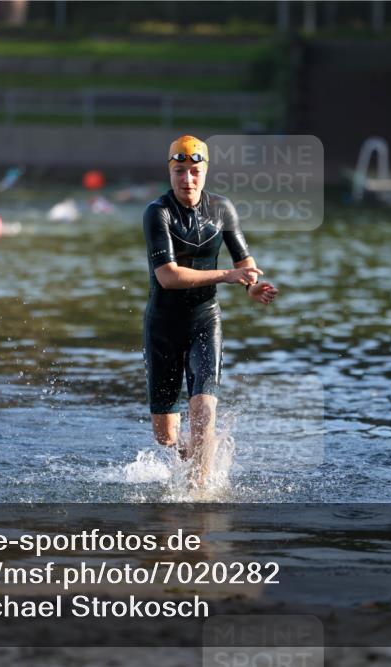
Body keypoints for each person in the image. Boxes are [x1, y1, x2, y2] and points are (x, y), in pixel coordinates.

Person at [142, 135, 278, 487]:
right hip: (163, 327)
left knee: (203, 412)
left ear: (206, 171)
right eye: (179, 171)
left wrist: (252, 285)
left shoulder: (222, 209)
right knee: (167, 437)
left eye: (194, 171)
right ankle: (197, 460)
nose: (187, 179)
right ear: (170, 173)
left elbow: (245, 263)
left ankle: (199, 495)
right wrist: (229, 276)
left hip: (205, 321)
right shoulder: (157, 213)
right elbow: (168, 277)